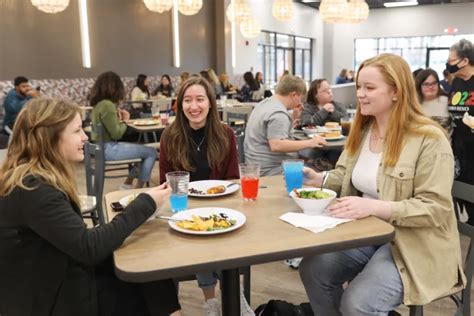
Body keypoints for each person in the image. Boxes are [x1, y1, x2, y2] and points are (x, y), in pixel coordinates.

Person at [299, 53, 465, 315]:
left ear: (396, 92)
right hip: (368, 232)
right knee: (313, 269)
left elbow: (434, 208)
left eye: (370, 88)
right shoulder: (363, 130)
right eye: (358, 87)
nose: (360, 94)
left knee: (359, 303)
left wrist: (374, 208)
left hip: (414, 242)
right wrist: (319, 179)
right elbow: (345, 175)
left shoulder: (429, 139)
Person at [0, 97, 181, 316]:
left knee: (149, 266)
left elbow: (78, 242)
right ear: (50, 137)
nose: (85, 137)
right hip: (48, 297)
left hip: (54, 272)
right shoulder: (33, 189)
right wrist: (146, 203)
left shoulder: (33, 179)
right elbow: (89, 248)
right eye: (77, 131)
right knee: (146, 283)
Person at [158, 77, 252, 316]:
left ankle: (235, 298)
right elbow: (164, 182)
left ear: (210, 103)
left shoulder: (225, 134)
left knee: (219, 237)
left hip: (221, 207)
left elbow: (232, 179)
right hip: (185, 211)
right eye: (187, 100)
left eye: (200, 99)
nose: (194, 106)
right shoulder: (170, 136)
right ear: (179, 105)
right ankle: (211, 302)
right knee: (198, 237)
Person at [244, 75, 327, 176]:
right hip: (270, 171)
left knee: (311, 160)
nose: (301, 102)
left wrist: (291, 122)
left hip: (256, 166)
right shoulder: (279, 113)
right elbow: (277, 145)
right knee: (321, 171)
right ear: (293, 95)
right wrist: (310, 142)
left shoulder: (264, 104)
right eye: (300, 98)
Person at [90, 71, 157, 189]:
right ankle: (138, 190)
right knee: (151, 152)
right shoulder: (108, 105)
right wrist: (125, 120)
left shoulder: (98, 105)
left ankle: (128, 183)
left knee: (141, 151)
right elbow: (117, 134)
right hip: (109, 149)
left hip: (100, 148)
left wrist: (119, 120)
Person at [447, 39, 474, 224]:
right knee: (463, 200)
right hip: (458, 152)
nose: (448, 64)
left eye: (451, 60)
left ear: (464, 61)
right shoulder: (456, 81)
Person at [414, 68, 451, 134]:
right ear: (419, 86)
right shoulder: (414, 104)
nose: (431, 87)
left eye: (434, 83)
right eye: (426, 84)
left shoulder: (447, 101)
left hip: (446, 143)